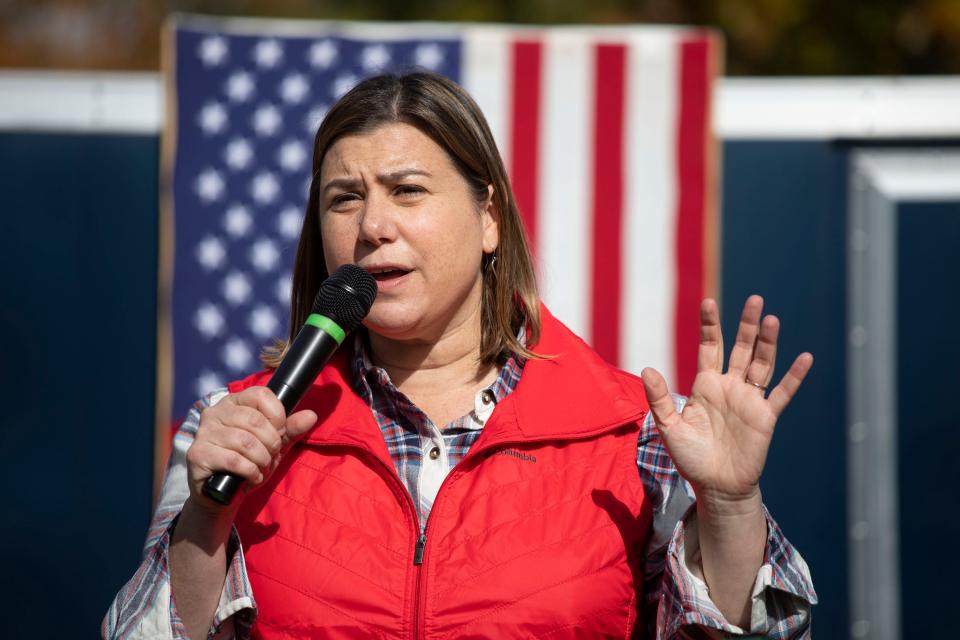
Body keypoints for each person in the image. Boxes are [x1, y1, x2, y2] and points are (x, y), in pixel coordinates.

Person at [104, 71, 816, 639]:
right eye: (343, 199)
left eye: (407, 192)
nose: (373, 227)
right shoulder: (231, 427)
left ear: (488, 218)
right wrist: (206, 518)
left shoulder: (634, 434)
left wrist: (728, 507)